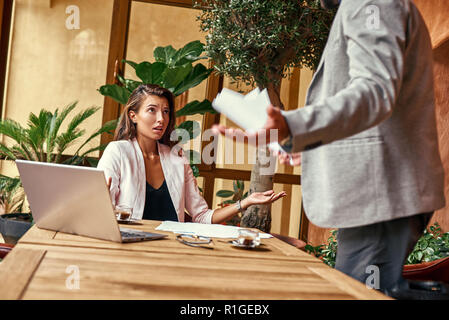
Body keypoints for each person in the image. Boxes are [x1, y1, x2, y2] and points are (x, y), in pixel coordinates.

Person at [213, 0, 445, 295]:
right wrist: (311, 144)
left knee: (361, 294)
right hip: (379, 195)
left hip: (380, 195)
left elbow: (374, 92)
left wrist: (294, 125)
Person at [97, 84, 286, 224]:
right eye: (152, 111)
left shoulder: (176, 156)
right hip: (131, 248)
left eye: (165, 112)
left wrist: (245, 202)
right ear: (133, 116)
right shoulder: (118, 152)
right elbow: (102, 214)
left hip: (173, 248)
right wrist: (99, 198)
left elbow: (201, 216)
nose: (161, 119)